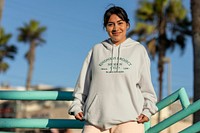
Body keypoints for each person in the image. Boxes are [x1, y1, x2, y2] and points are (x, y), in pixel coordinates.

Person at [68, 6, 158, 133]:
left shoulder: (138, 50)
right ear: (105, 27)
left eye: (120, 23)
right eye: (110, 24)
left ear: (127, 25)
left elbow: (146, 87)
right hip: (95, 120)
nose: (116, 28)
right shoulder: (97, 50)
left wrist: (148, 110)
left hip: (129, 120)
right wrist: (77, 106)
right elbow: (83, 84)